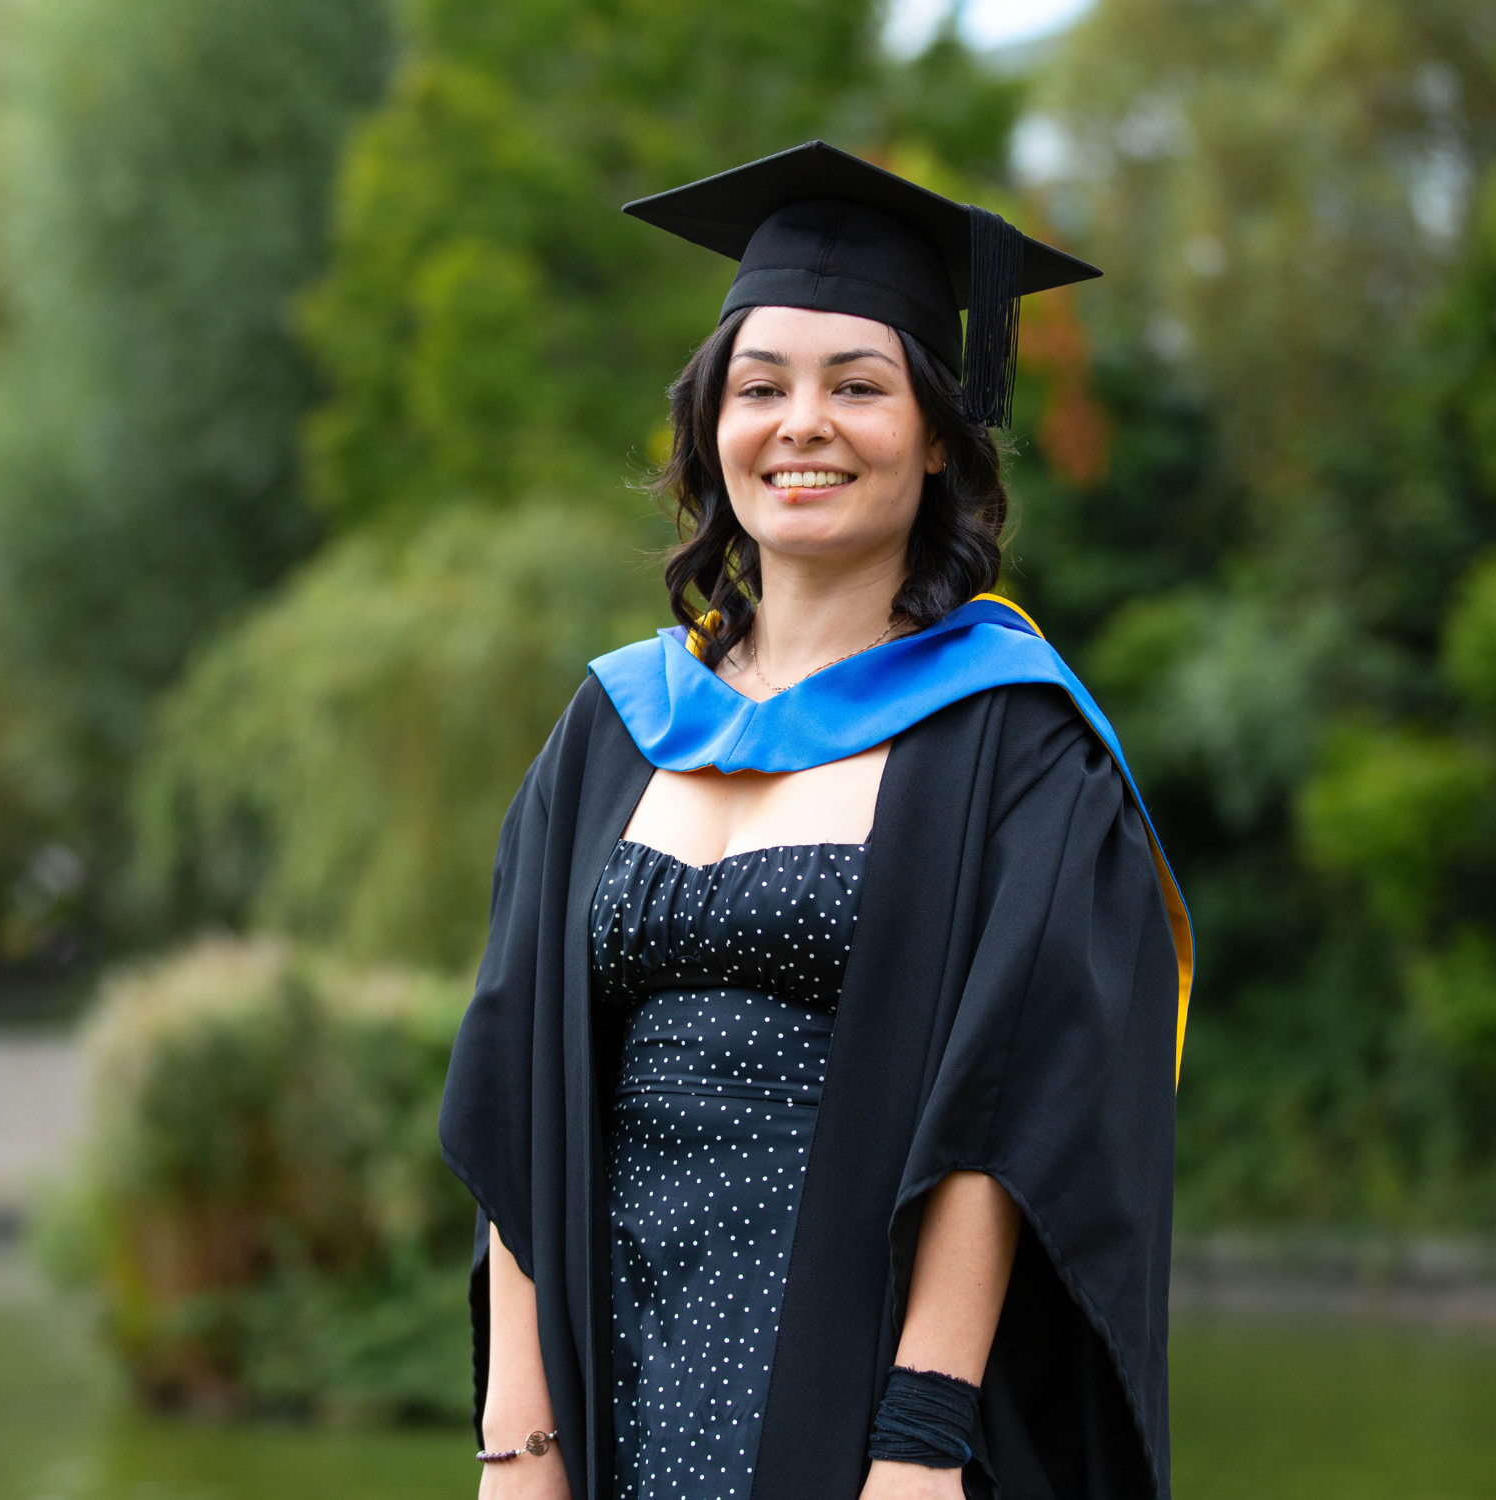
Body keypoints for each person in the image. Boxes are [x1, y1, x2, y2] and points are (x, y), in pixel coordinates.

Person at [439, 141, 1193, 1500]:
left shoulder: (1009, 738)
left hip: (865, 1402)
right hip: (614, 1389)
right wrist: (518, 1443)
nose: (803, 425)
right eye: (759, 387)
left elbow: (1015, 1109)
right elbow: (517, 1094)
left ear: (935, 437)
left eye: (859, 387)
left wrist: (921, 1435)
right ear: (706, 428)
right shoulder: (613, 727)